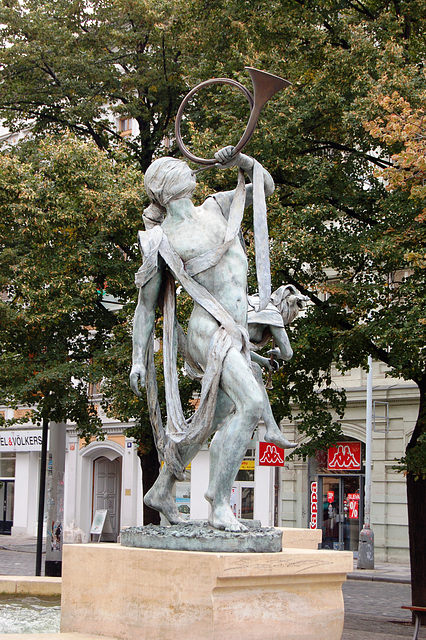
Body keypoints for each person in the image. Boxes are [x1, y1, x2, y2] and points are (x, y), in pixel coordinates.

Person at [130, 146, 291, 531]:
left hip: (237, 329)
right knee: (251, 405)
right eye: (178, 169)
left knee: (214, 417)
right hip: (209, 330)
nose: (189, 170)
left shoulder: (217, 206)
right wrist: (139, 358)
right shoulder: (162, 240)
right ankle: (219, 505)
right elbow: (145, 307)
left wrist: (244, 162)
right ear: (167, 187)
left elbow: (264, 188)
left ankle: (162, 488)